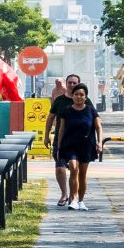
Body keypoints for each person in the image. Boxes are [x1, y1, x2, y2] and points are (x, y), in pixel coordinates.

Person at [59, 82, 105, 208]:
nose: (79, 97)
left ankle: (81, 201)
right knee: (73, 168)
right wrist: (59, 146)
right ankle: (73, 199)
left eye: (81, 95)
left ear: (86, 97)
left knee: (83, 173)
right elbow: (61, 129)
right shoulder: (67, 111)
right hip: (70, 145)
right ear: (72, 96)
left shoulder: (91, 110)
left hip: (87, 145)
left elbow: (98, 127)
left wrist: (99, 142)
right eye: (76, 94)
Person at [47, 76, 76, 207]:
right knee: (60, 168)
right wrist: (46, 135)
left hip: (77, 141)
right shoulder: (59, 100)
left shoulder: (84, 99)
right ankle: (64, 194)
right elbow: (50, 117)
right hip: (60, 140)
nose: (71, 85)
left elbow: (93, 119)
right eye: (69, 82)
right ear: (66, 83)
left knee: (75, 169)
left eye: (74, 83)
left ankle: (73, 196)